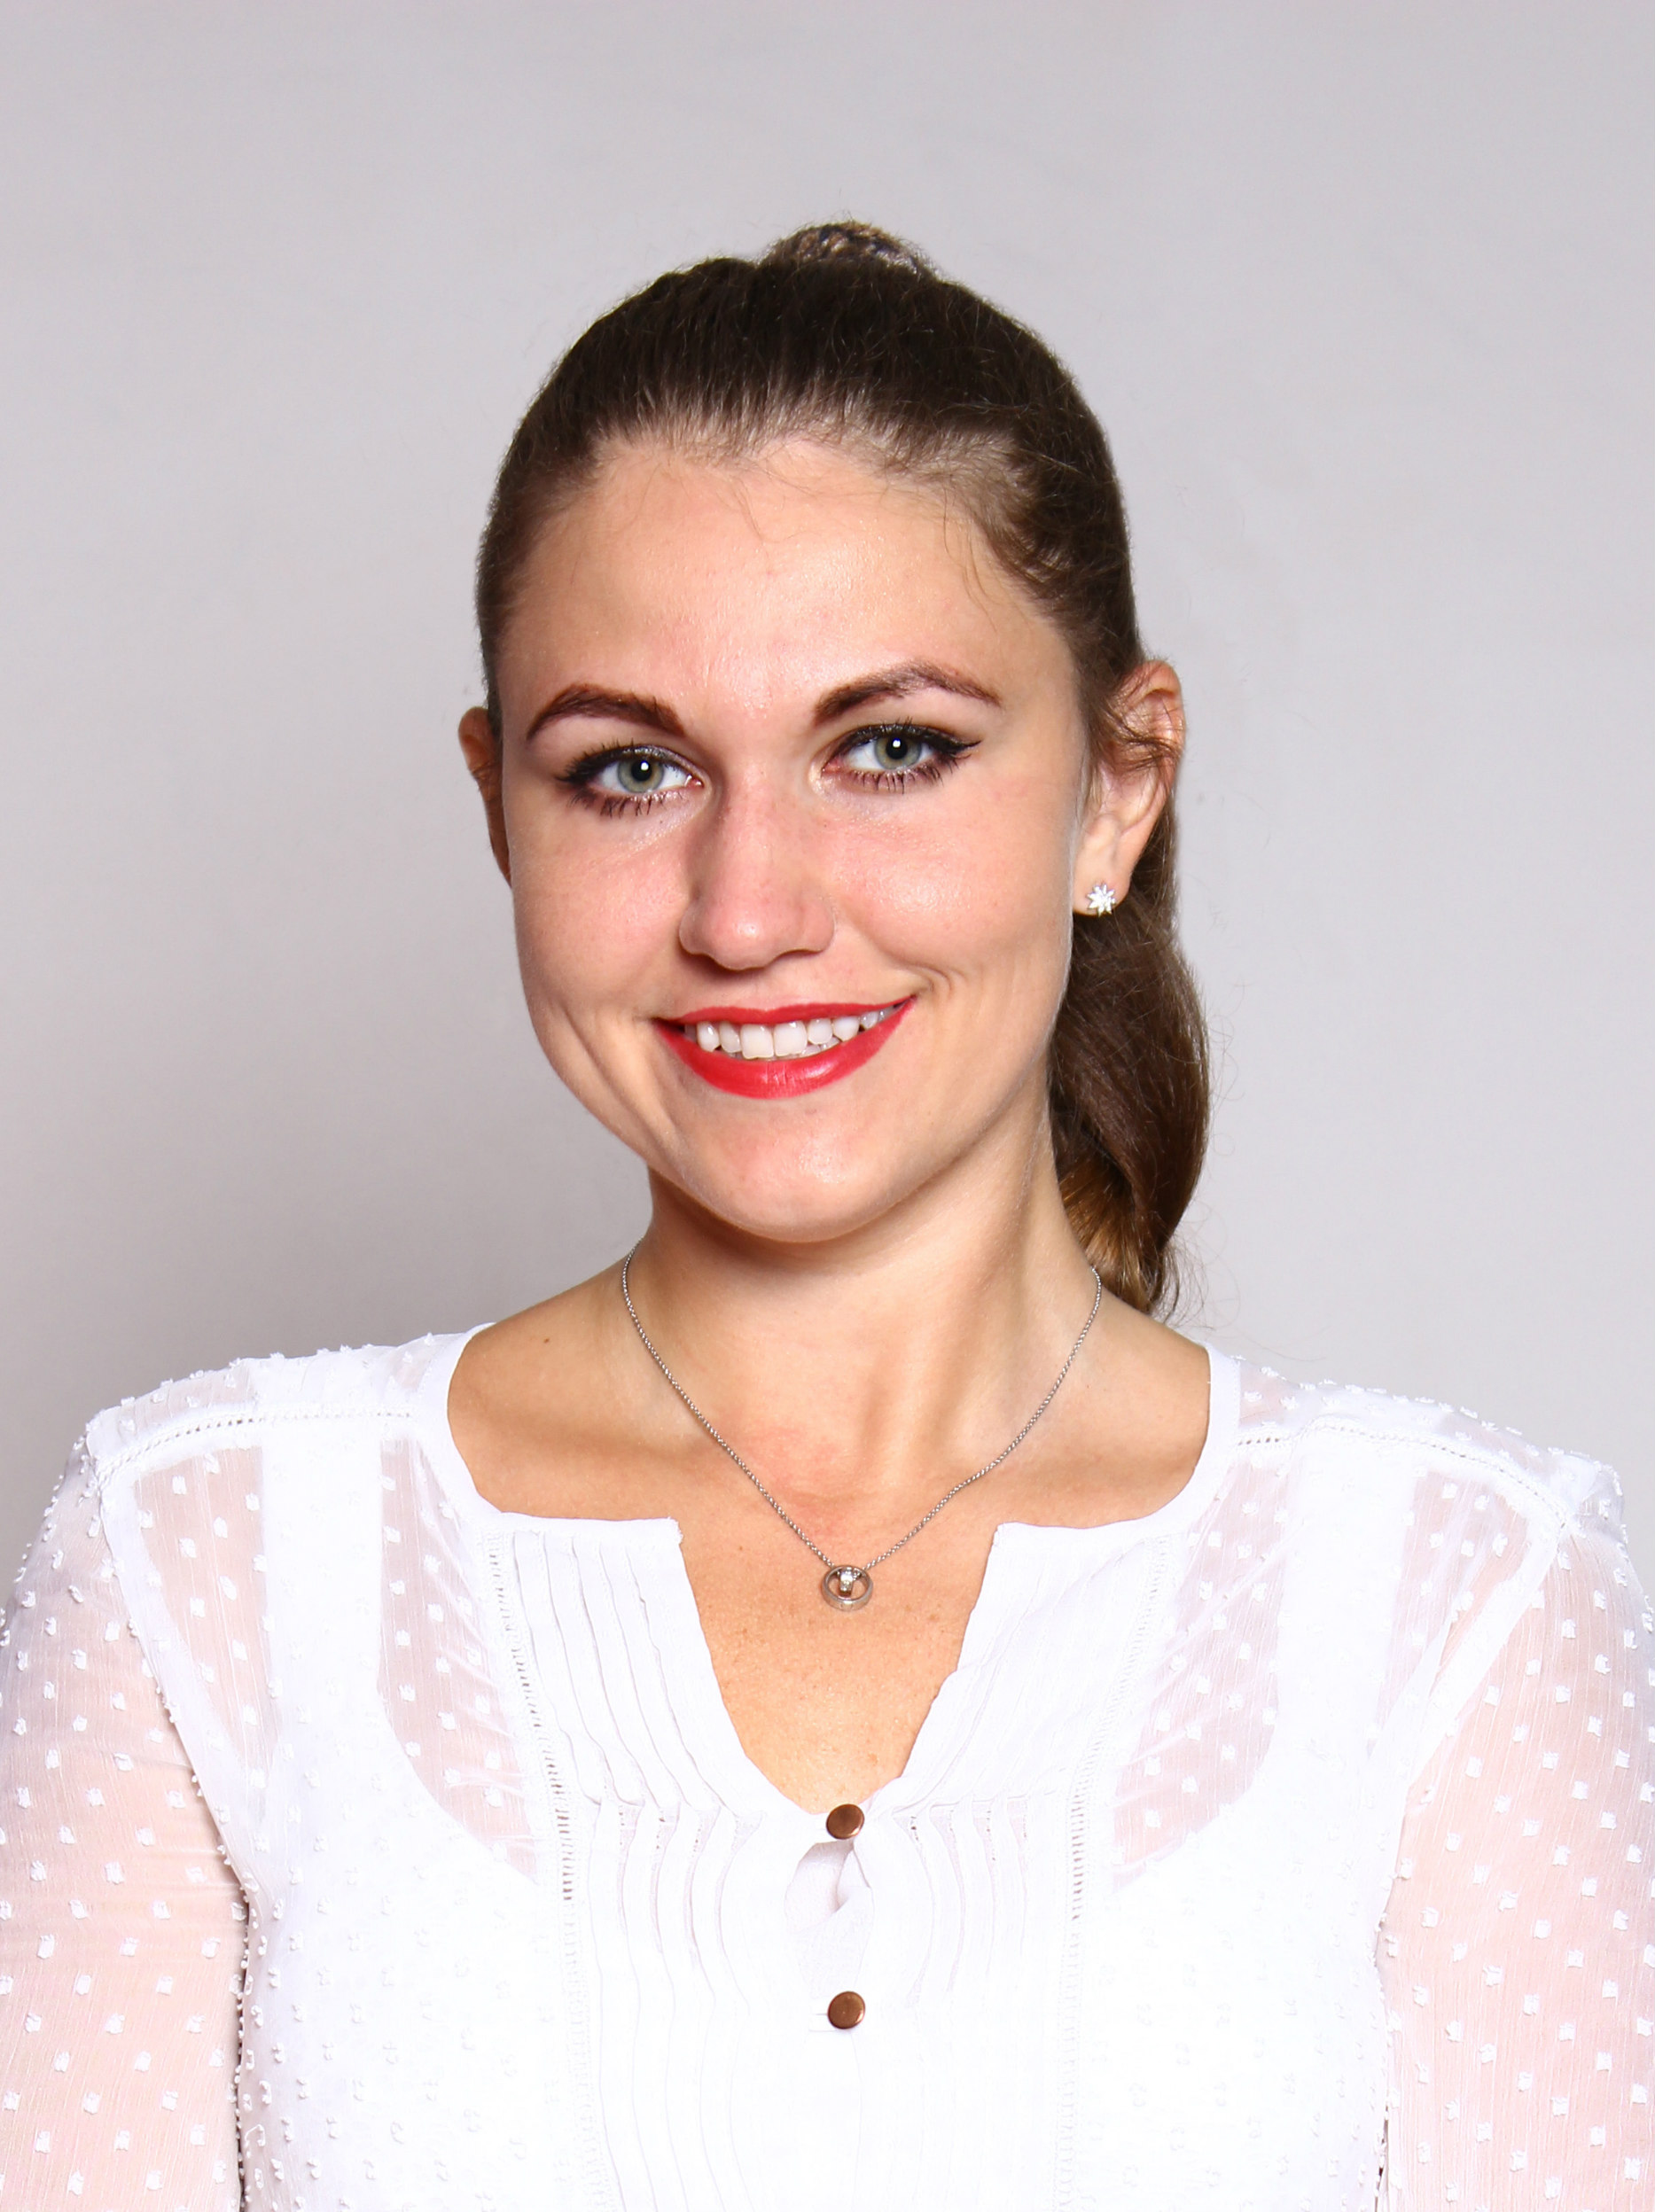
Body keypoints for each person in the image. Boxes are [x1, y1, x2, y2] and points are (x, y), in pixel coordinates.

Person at [1, 222, 1649, 2212]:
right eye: (629, 771)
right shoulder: (210, 1557)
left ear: (1117, 789)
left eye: (891, 751)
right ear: (498, 805)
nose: (748, 908)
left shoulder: (1452, 1592)